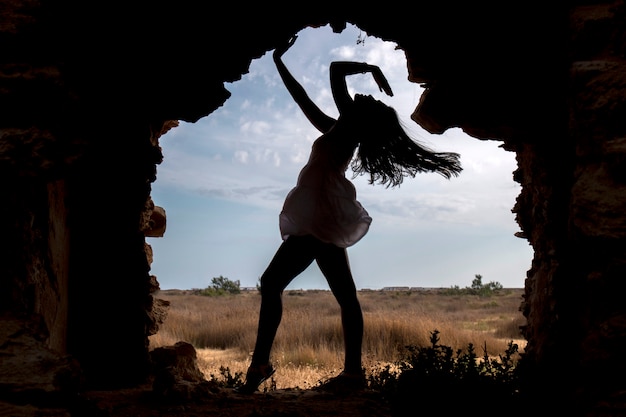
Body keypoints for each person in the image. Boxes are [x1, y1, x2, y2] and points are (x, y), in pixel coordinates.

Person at [235, 35, 462, 394]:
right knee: (342, 294)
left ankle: (261, 365)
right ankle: (352, 374)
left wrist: (371, 68)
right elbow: (301, 98)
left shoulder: (350, 123)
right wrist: (278, 63)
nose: (366, 95)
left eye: (369, 100)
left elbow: (335, 71)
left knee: (273, 282)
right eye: (369, 95)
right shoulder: (337, 127)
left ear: (363, 115)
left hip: (319, 214)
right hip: (324, 213)